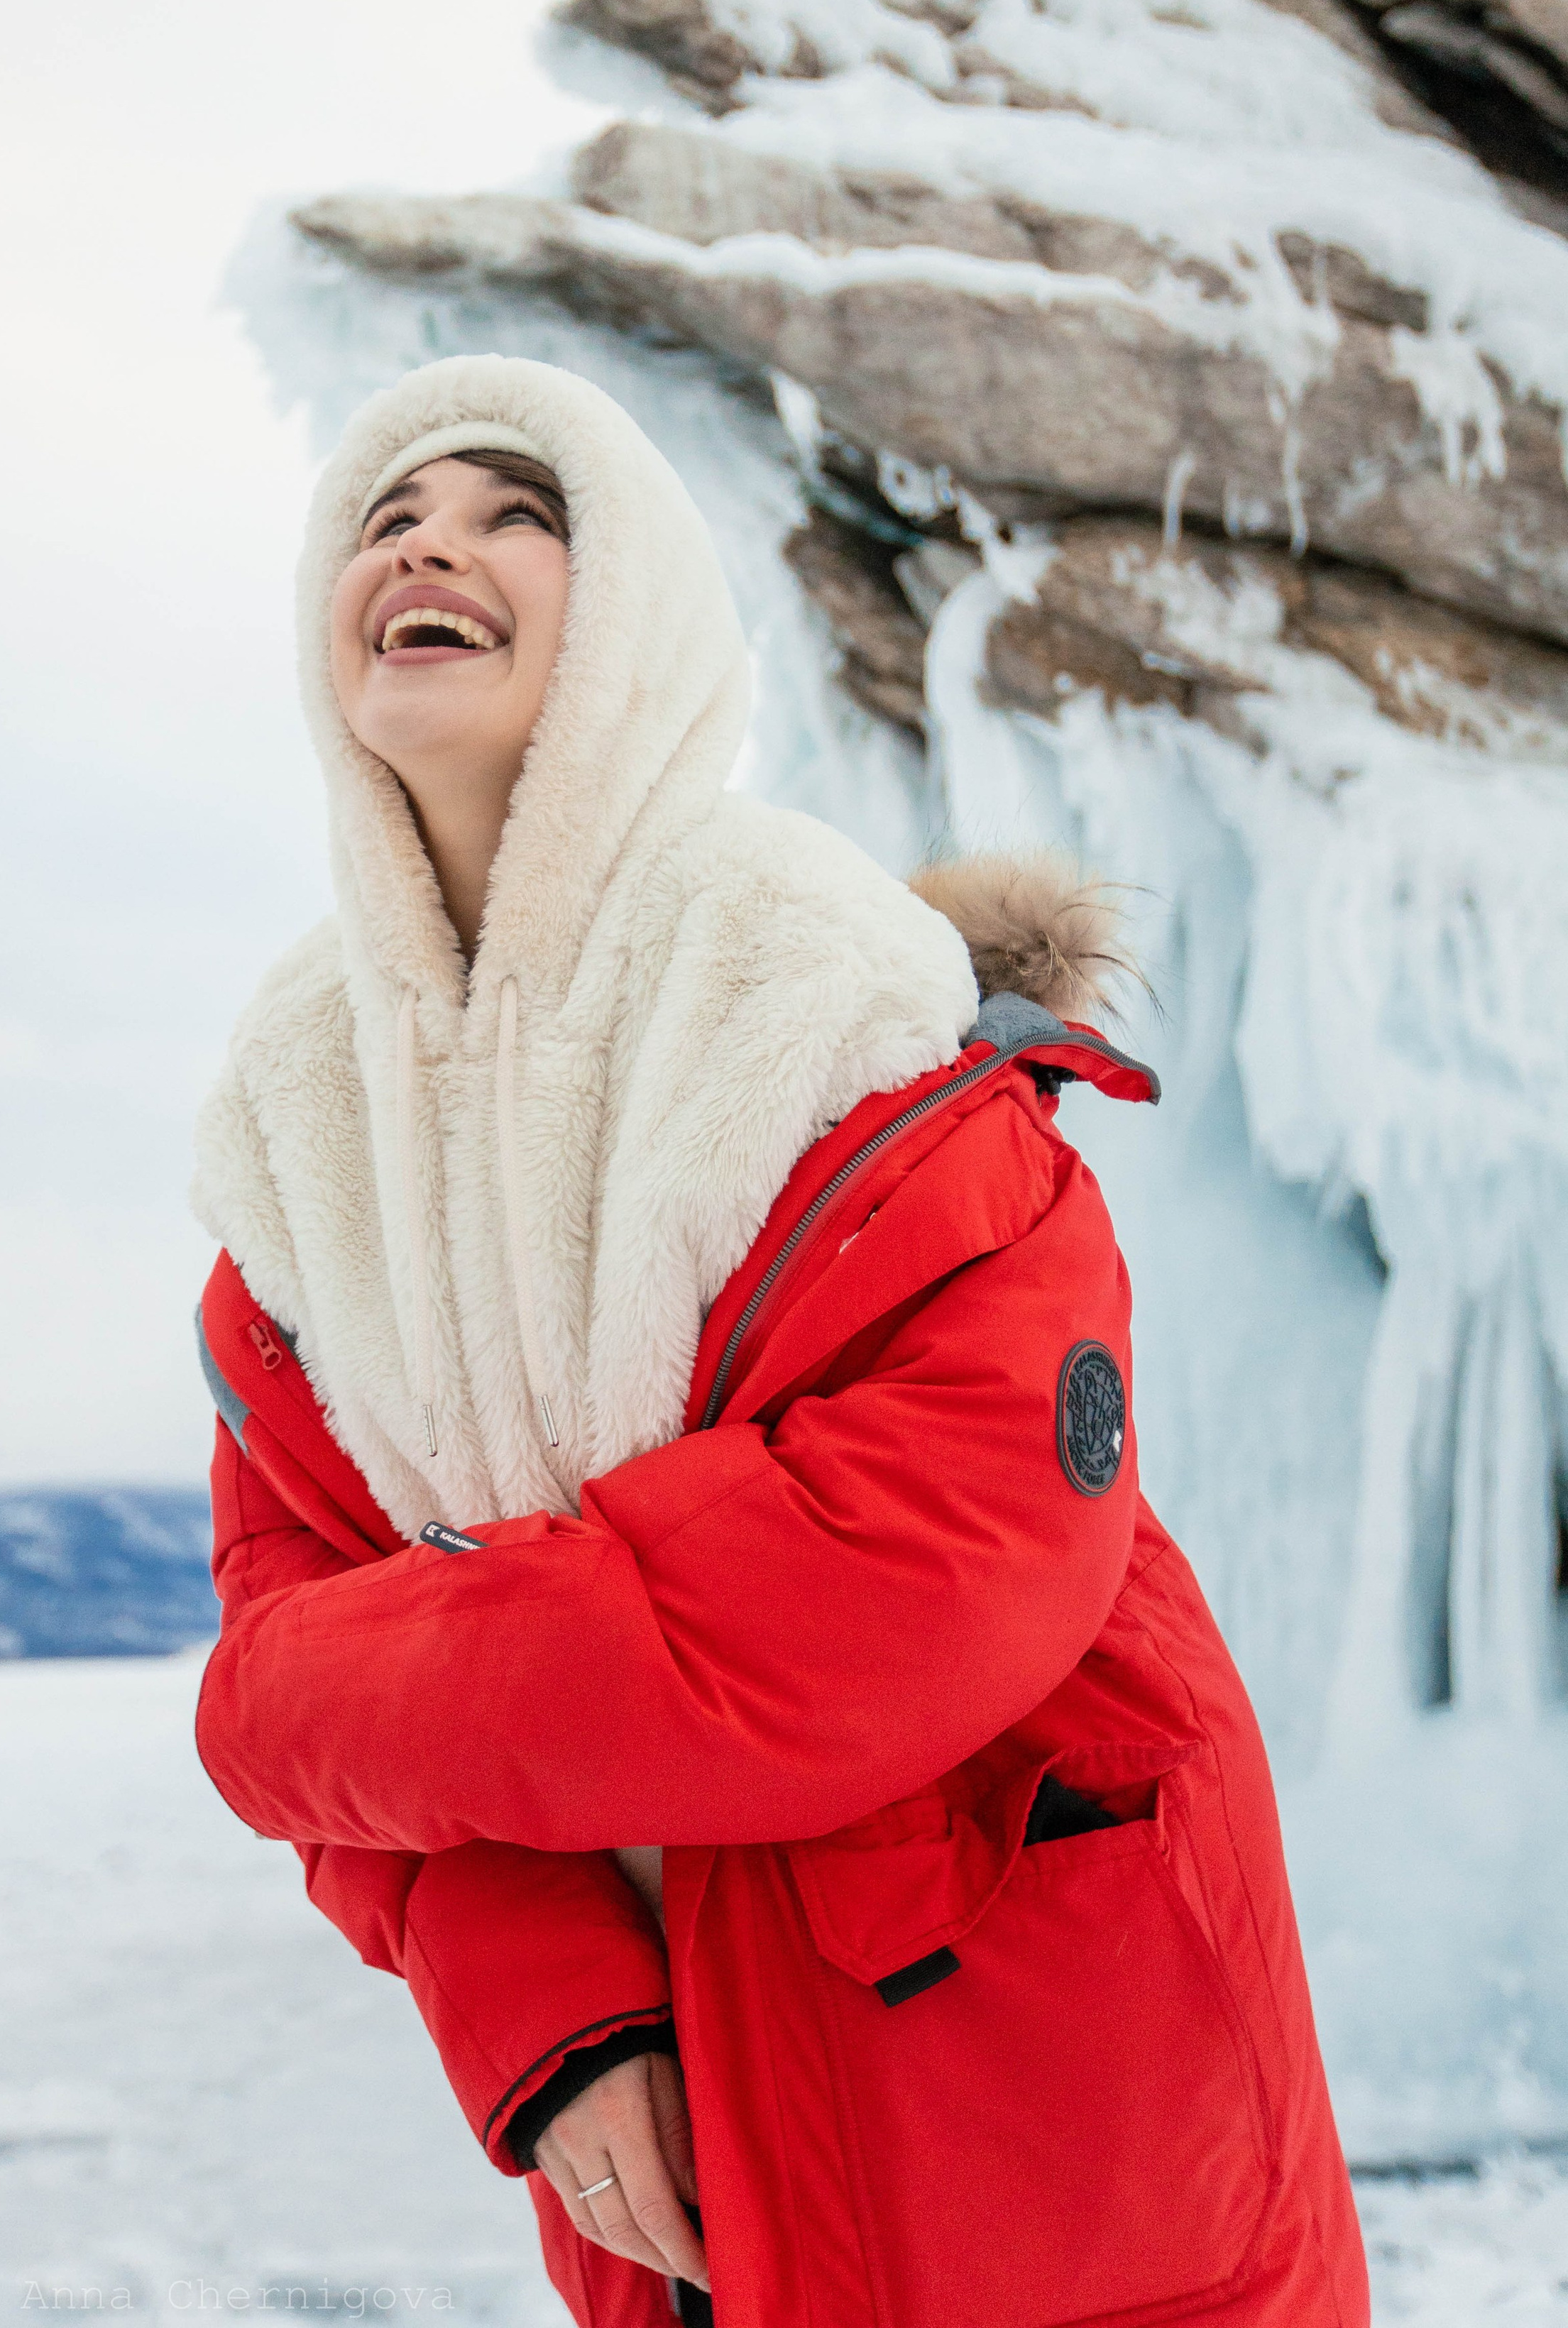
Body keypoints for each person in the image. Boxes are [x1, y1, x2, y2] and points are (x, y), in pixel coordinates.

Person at [190, 354, 1368, 2328]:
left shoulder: (859, 1025)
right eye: (385, 516)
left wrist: (333, 1699)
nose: (428, 539)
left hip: (1058, 2107)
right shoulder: (298, 1146)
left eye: (514, 511)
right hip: (677, 2153)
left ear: (638, 608)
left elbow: (908, 1586)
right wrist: (544, 2012)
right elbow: (300, 1664)